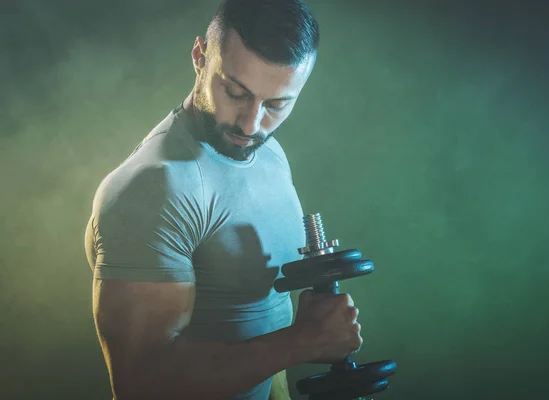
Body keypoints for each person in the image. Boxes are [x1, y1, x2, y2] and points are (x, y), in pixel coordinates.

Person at [84, 0, 362, 399]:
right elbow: (140, 385)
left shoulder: (266, 152)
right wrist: (303, 342)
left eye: (276, 104)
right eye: (235, 92)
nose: (251, 124)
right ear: (200, 57)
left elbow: (262, 321)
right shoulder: (153, 189)